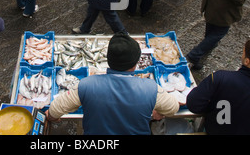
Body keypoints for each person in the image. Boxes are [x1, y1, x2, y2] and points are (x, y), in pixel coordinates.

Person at [46, 32, 180, 134]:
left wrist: (52, 117)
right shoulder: (151, 89)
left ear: (108, 60)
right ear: (135, 64)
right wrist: (158, 111)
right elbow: (173, 107)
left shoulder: (86, 85)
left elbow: (54, 110)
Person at [186, 38, 250, 135]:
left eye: (243, 52)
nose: (242, 54)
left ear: (247, 61)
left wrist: (211, 109)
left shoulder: (220, 78)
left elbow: (193, 104)